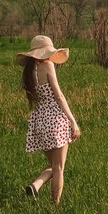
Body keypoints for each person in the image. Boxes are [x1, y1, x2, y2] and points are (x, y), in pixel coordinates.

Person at [16, 35, 81, 204]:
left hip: (39, 122)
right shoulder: (48, 65)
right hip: (55, 119)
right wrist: (73, 122)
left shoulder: (29, 72)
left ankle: (36, 185)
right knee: (59, 168)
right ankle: (55, 208)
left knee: (54, 166)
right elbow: (59, 96)